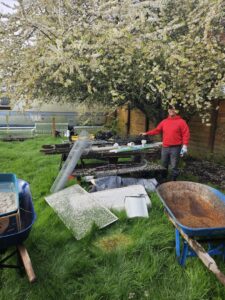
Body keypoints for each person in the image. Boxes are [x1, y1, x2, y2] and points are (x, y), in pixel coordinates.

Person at [141, 104, 190, 181]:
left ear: (176, 111)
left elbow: (186, 134)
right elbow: (157, 130)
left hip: (175, 148)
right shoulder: (164, 122)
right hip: (165, 147)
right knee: (163, 165)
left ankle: (173, 182)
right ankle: (163, 180)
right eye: (170, 109)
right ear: (168, 110)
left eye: (173, 109)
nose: (171, 111)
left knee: (174, 166)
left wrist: (185, 146)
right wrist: (147, 133)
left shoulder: (181, 122)